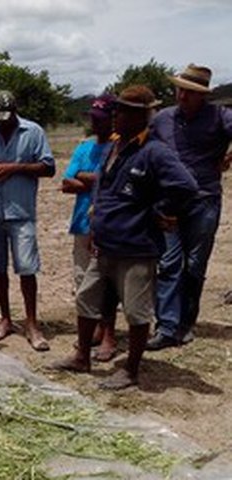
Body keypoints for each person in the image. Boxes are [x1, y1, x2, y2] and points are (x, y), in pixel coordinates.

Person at [51, 85, 198, 390]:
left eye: (124, 111)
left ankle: (131, 370)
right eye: (117, 109)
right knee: (87, 299)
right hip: (104, 244)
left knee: (135, 310)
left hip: (136, 248)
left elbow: (186, 187)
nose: (116, 116)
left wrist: (162, 211)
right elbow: (102, 191)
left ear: (141, 116)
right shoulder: (113, 147)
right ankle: (82, 357)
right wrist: (95, 227)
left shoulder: (155, 152)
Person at [147, 64, 232, 351]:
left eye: (190, 92)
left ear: (203, 96)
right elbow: (144, 146)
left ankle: (186, 323)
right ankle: (166, 327)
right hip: (168, 201)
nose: (182, 96)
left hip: (204, 199)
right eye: (180, 89)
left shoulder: (220, 117)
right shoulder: (162, 119)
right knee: (168, 262)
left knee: (195, 265)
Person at [0, 90, 55, 351]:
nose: (0, 123)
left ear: (15, 112)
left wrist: (15, 168)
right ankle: (5, 319)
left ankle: (31, 323)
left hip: (21, 213)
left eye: (4, 118)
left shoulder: (33, 132)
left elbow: (48, 168)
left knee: (27, 269)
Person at [61, 94, 118, 362]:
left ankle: (109, 333)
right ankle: (92, 330)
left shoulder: (120, 148)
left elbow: (115, 182)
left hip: (109, 224)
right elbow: (66, 182)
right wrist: (98, 180)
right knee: (83, 279)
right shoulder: (85, 148)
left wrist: (86, 178)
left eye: (99, 118)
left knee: (107, 281)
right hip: (82, 223)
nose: (94, 123)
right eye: (92, 118)